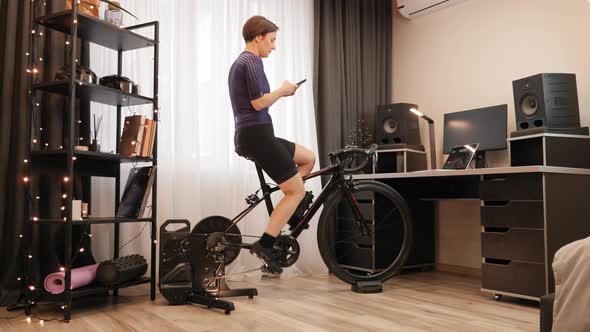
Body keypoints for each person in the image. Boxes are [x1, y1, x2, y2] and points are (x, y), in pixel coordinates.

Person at [228, 16, 315, 275]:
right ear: (259, 37)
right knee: (296, 191)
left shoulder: (241, 63)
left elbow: (255, 102)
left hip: (256, 133)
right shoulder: (251, 61)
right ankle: (265, 245)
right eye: (272, 40)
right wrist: (283, 90)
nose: (274, 46)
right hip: (257, 135)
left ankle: (292, 208)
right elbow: (257, 103)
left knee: (308, 158)